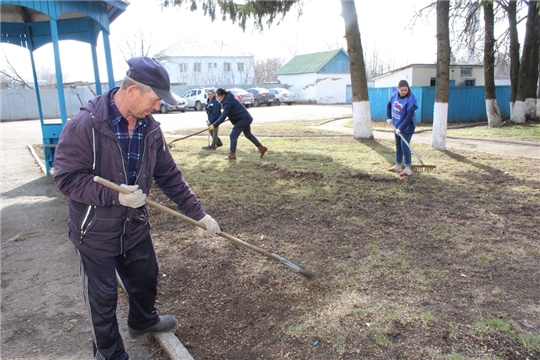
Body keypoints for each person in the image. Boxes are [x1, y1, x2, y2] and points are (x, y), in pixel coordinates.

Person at [53, 56, 221, 360]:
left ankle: (142, 321)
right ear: (132, 91)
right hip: (95, 231)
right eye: (154, 99)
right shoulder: (86, 126)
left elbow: (169, 176)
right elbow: (66, 178)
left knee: (145, 276)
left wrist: (199, 214)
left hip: (134, 225)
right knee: (102, 300)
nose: (156, 106)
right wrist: (114, 196)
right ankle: (110, 354)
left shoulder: (150, 130)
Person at [210, 88, 268, 160]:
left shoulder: (227, 102)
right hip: (245, 118)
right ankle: (261, 148)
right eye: (217, 96)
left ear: (223, 95)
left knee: (233, 135)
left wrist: (214, 125)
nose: (218, 98)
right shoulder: (228, 99)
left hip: (243, 119)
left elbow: (224, 115)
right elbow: (227, 113)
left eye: (219, 96)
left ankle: (232, 154)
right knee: (248, 134)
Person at [386, 79, 418, 176]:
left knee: (405, 145)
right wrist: (389, 117)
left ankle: (408, 168)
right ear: (398, 89)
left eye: (406, 90)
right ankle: (398, 165)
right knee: (398, 145)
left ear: (408, 89)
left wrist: (401, 128)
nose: (404, 92)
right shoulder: (394, 95)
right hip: (397, 124)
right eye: (402, 90)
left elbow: (409, 116)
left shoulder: (411, 99)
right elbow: (389, 105)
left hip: (408, 126)